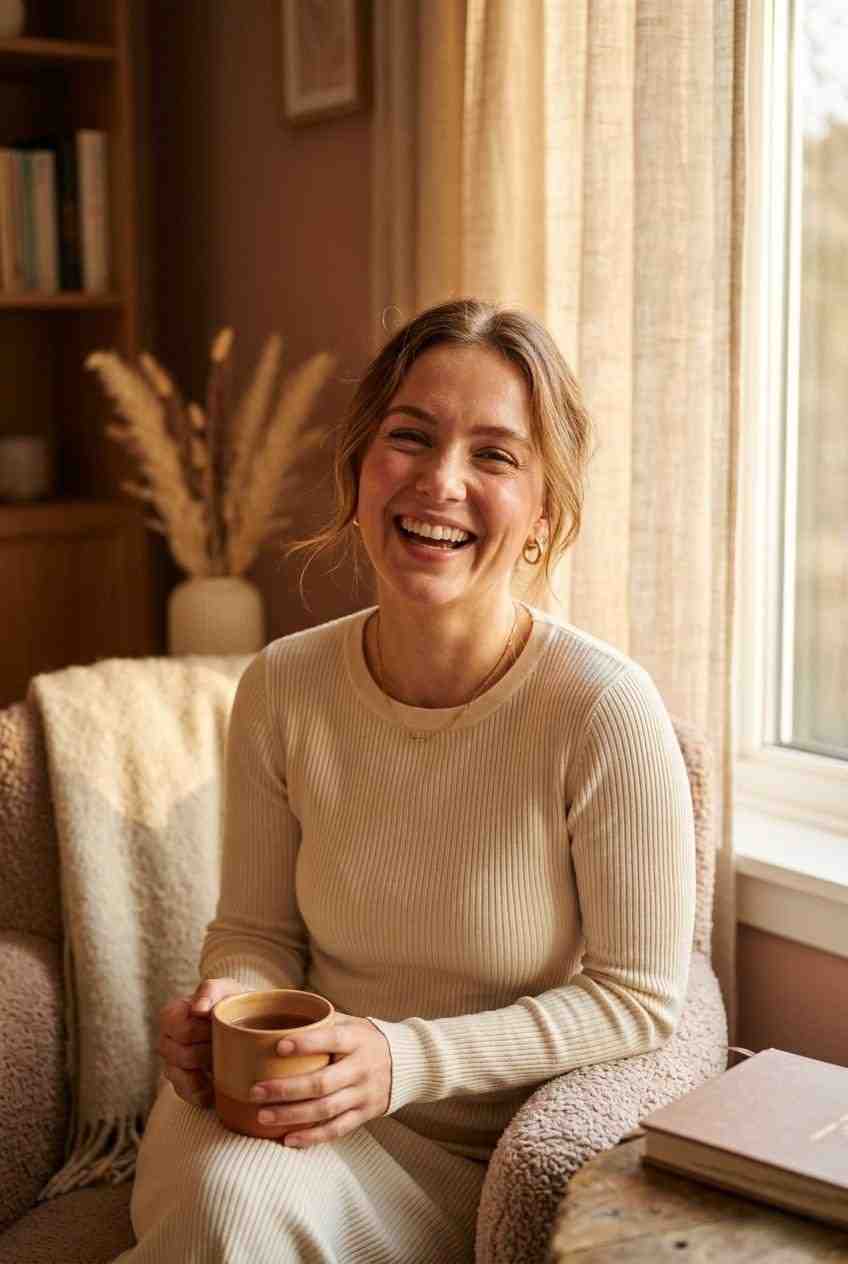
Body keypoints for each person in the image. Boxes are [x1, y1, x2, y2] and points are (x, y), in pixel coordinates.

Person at [120, 298, 695, 1263]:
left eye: (494, 455)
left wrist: (402, 1059)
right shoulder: (282, 685)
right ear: (358, 470)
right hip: (282, 1107)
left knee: (228, 1212)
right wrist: (230, 1010)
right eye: (410, 437)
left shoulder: (604, 709)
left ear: (544, 515)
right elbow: (258, 934)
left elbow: (639, 999)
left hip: (466, 1161)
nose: (440, 481)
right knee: (224, 1196)